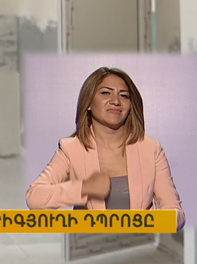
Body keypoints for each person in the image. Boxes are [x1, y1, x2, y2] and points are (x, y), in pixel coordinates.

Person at [26, 67, 185, 231]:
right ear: (88, 103)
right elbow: (34, 197)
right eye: (106, 93)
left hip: (139, 242)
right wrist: (83, 188)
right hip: (92, 243)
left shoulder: (150, 149)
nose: (116, 101)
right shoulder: (71, 149)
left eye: (124, 95)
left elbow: (175, 211)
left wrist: (157, 221)